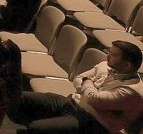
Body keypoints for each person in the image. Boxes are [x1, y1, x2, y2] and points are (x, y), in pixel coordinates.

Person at [9, 41, 143, 133]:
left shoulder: (132, 91)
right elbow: (78, 78)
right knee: (22, 98)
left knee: (37, 128)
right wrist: (88, 87)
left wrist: (88, 83)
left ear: (127, 65)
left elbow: (92, 97)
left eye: (113, 55)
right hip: (72, 102)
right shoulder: (105, 65)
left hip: (93, 123)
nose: (107, 57)